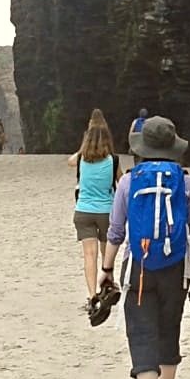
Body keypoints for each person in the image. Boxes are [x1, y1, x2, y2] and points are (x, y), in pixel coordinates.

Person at [98, 117, 190, 379]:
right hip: (177, 269)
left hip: (138, 269)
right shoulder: (186, 183)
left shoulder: (128, 182)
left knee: (141, 334)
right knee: (169, 329)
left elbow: (116, 231)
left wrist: (106, 269)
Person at [68, 109, 120, 310]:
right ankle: (107, 285)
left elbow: (70, 161)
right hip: (106, 211)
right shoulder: (113, 160)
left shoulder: (81, 158)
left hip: (83, 211)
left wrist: (83, 147)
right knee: (107, 253)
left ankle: (92, 296)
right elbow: (121, 182)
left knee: (89, 255)